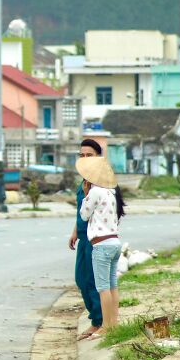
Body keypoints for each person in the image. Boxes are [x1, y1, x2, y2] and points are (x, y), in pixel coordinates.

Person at [77, 156, 126, 340]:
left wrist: (85, 193)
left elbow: (84, 215)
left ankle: (105, 326)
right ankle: (113, 323)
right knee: (113, 285)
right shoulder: (111, 192)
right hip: (114, 242)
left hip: (102, 245)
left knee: (103, 287)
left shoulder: (95, 192)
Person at [68, 139, 103, 340]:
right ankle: (95, 319)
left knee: (92, 280)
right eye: (82, 155)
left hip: (96, 238)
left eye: (89, 155)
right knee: (81, 279)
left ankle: (98, 321)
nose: (85, 159)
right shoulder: (83, 182)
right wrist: (74, 231)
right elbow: (81, 211)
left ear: (98, 157)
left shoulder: (101, 182)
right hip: (82, 237)